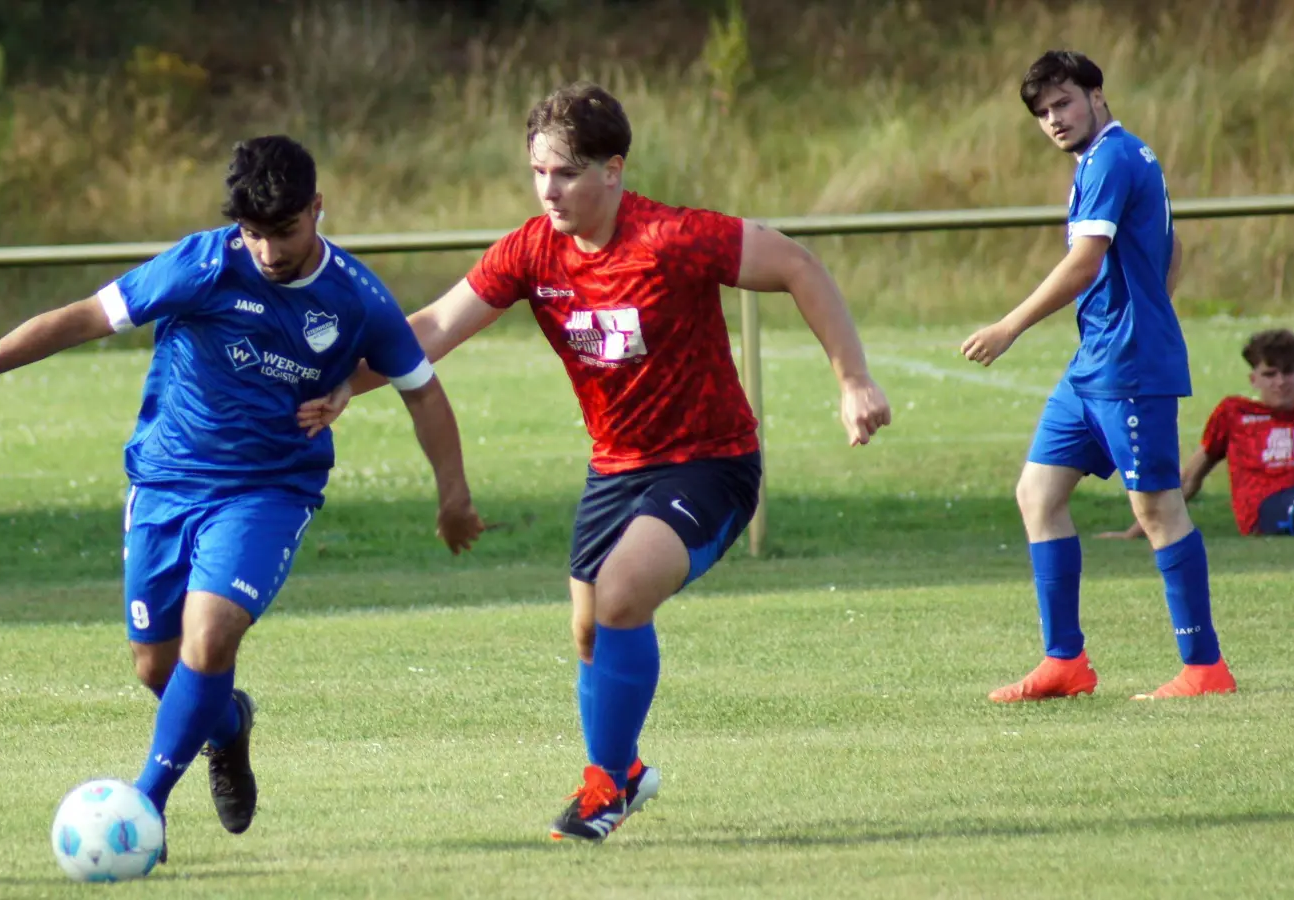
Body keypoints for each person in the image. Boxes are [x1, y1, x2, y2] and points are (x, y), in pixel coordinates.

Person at [333, 82, 892, 842]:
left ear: (613, 170)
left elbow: (797, 264)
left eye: (565, 172)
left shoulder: (673, 237)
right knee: (592, 632)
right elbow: (430, 326)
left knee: (621, 595)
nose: (548, 189)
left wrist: (852, 377)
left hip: (711, 461)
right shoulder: (532, 250)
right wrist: (344, 386)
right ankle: (623, 772)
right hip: (615, 469)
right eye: (538, 171)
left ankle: (603, 787)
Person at [0, 135, 485, 860]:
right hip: (165, 482)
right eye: (254, 233)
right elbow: (86, 316)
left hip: (270, 490)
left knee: (210, 635)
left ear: (317, 209)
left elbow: (422, 393)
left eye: (285, 230)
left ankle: (142, 808)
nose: (270, 251)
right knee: (156, 667)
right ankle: (227, 728)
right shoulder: (203, 264)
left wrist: (453, 496)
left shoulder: (356, 296)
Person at [961, 51, 1236, 702]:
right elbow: (1170, 249)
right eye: (1042, 112)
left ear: (1096, 94)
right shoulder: (1112, 158)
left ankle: (1205, 668)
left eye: (1064, 103)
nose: (1054, 119)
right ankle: (1065, 663)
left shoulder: (1112, 157)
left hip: (1130, 366)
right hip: (1095, 365)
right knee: (1038, 494)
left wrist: (1009, 326)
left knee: (1158, 510)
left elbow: (1086, 263)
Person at [1101, 329, 1294, 539]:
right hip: (1270, 505)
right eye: (1270, 374)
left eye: (1289, 371)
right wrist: (1137, 531)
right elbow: (1190, 477)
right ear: (1254, 379)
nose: (1281, 382)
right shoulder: (1235, 413)